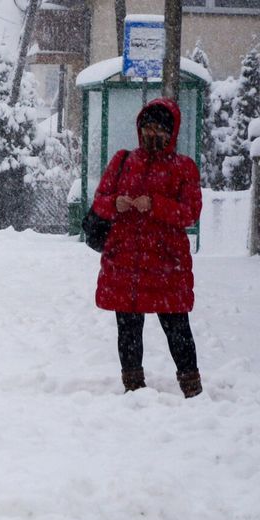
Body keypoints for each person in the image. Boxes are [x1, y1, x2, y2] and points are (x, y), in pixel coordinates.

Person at [90, 98, 203, 398]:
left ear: (171, 132)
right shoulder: (123, 161)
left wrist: (155, 205)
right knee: (128, 328)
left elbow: (190, 212)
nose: (153, 133)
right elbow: (100, 200)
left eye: (160, 128)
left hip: (166, 264)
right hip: (125, 260)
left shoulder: (183, 168)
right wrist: (115, 203)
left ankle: (192, 389)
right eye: (148, 127)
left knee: (177, 326)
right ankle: (133, 388)